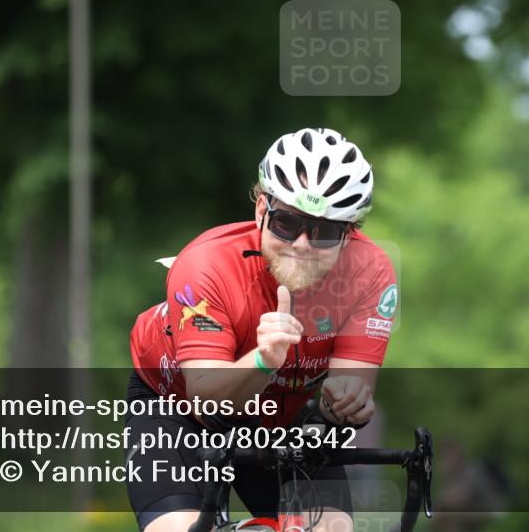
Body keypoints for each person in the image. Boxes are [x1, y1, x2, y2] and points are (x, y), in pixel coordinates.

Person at [126, 128, 397, 532]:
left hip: (285, 417)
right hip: (176, 405)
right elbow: (205, 396)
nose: (303, 244)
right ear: (260, 211)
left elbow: (344, 394)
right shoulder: (206, 264)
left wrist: (347, 403)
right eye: (287, 223)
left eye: (324, 232)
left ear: (349, 234)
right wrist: (263, 360)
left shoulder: (370, 273)